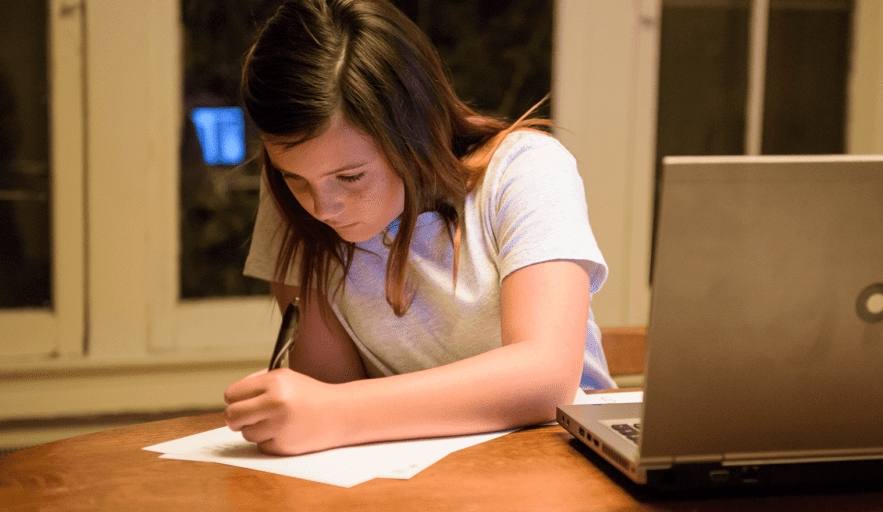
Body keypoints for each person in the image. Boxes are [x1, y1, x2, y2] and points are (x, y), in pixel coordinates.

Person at [223, 0, 615, 456]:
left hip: (562, 460)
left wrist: (337, 411)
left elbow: (547, 378)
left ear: (416, 134)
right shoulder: (297, 205)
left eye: (350, 177)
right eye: (295, 178)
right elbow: (326, 396)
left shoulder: (524, 171)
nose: (322, 207)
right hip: (417, 473)